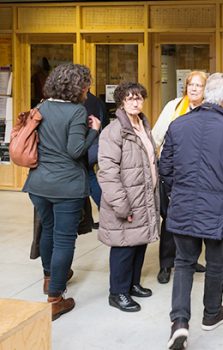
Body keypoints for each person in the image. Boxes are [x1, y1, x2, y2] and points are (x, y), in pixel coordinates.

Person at [161, 72, 223, 350]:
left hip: (183, 204)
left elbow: (164, 168)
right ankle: (211, 314)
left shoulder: (178, 125)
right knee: (215, 264)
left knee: (183, 263)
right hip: (218, 208)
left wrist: (185, 186)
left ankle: (179, 323)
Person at [23, 63, 101, 320]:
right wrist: (94, 131)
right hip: (66, 186)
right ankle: (55, 298)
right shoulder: (76, 112)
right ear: (78, 87)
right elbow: (75, 150)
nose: (87, 91)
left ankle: (49, 278)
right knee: (64, 239)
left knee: (47, 229)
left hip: (38, 184)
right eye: (86, 86)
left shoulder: (42, 106)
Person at [97, 82, 160, 313]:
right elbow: (108, 172)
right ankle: (118, 293)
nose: (136, 102)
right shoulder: (114, 132)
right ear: (121, 102)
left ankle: (133, 284)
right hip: (126, 200)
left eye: (139, 98)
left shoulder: (144, 126)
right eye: (130, 98)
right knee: (124, 247)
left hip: (144, 197)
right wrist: (122, 205)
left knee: (139, 243)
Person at [152, 71, 209, 284]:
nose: (193, 89)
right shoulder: (174, 107)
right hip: (173, 173)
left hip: (199, 173)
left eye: (198, 85)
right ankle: (166, 264)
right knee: (171, 219)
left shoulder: (209, 109)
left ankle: (190, 259)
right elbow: (156, 137)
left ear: (206, 90)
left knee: (196, 217)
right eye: (190, 85)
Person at [84, 90, 108, 229]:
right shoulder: (97, 100)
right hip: (96, 145)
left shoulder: (79, 101)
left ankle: (105, 213)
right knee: (90, 177)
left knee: (89, 178)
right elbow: (104, 123)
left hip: (86, 146)